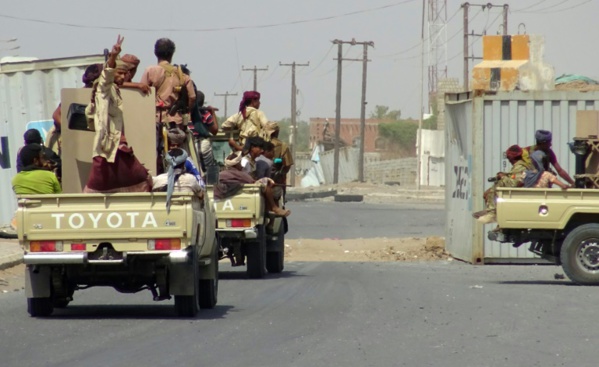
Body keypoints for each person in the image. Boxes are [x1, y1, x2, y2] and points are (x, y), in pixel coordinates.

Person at [83, 35, 152, 194]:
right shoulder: (104, 88)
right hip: (110, 146)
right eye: (119, 73)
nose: (122, 77)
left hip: (116, 146)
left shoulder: (115, 90)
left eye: (124, 73)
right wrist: (113, 56)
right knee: (142, 180)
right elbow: (106, 76)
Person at [47, 63, 105, 156]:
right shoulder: (78, 95)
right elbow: (56, 115)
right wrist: (68, 132)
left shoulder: (102, 95)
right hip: (71, 140)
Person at [214, 151, 290, 218]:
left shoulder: (220, 174)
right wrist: (267, 180)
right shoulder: (241, 174)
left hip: (216, 203)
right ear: (236, 165)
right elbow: (253, 182)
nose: (241, 165)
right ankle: (274, 208)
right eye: (240, 163)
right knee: (266, 187)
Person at [473, 145, 532, 224]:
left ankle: (493, 213)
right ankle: (491, 210)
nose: (508, 160)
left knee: (499, 185)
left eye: (509, 158)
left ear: (512, 158)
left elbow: (514, 184)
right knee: (490, 190)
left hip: (516, 195)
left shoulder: (521, 167)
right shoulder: (518, 166)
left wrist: (503, 177)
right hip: (512, 195)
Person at [152, 148, 203, 213]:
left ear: (168, 162)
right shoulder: (191, 179)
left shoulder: (158, 179)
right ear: (184, 163)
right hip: (186, 213)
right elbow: (201, 195)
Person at [264, 121, 293, 188]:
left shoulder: (260, 143)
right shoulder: (283, 146)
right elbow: (287, 165)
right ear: (277, 132)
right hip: (277, 182)